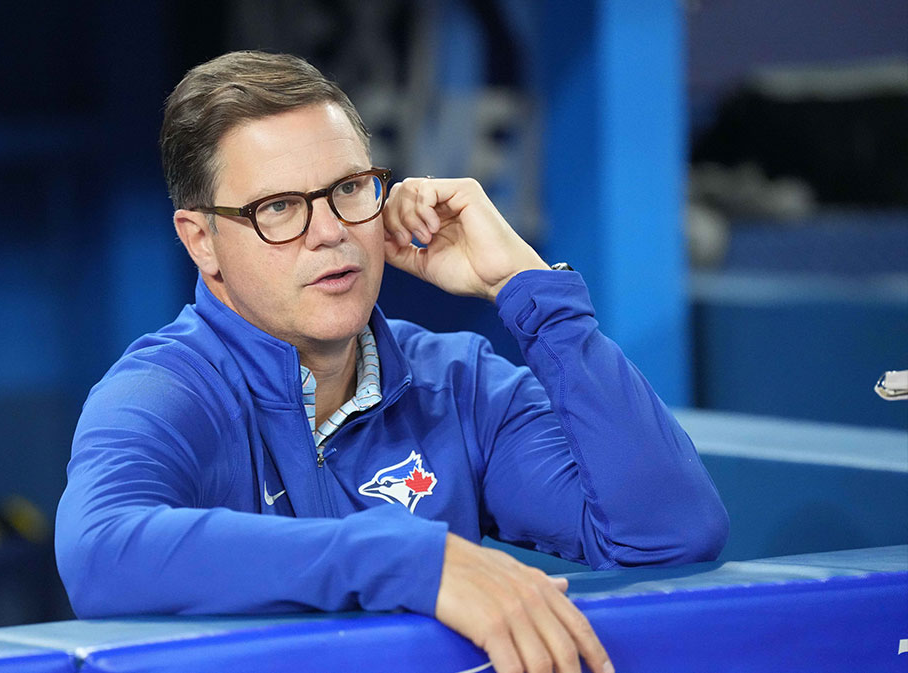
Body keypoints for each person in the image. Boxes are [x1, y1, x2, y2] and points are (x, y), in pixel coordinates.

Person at [56, 50, 728, 673]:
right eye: (280, 207)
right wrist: (409, 559)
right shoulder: (163, 391)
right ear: (201, 239)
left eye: (349, 189)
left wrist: (526, 286)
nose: (330, 232)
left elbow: (669, 536)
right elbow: (101, 552)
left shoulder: (459, 384)